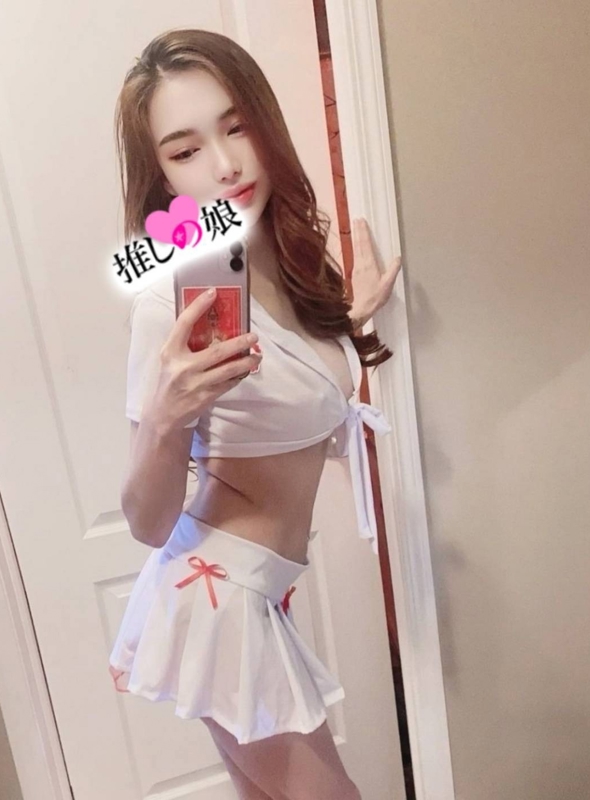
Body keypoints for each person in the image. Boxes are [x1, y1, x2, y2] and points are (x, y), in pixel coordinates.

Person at [108, 27, 402, 800]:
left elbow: (290, 384)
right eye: (186, 150)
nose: (225, 165)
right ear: (162, 175)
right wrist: (166, 419)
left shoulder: (284, 259)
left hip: (259, 591)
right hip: (220, 597)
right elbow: (145, 521)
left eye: (236, 127)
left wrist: (348, 322)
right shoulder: (168, 306)